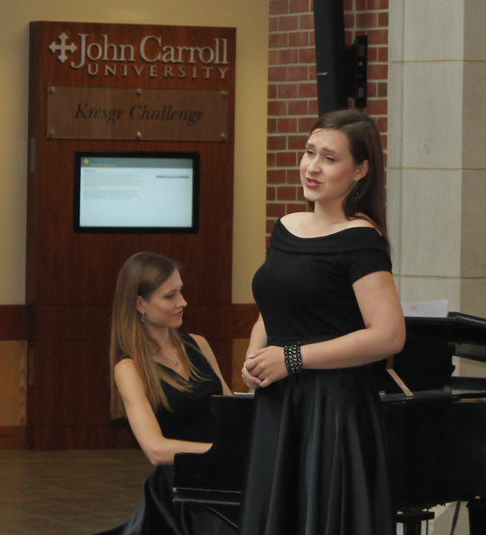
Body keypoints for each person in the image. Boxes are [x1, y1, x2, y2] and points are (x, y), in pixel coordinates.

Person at [240, 109, 406, 535]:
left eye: (330, 158)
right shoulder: (285, 227)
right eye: (310, 152)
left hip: (332, 409)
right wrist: (255, 356)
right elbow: (274, 304)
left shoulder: (361, 240)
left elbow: (388, 335)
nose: (312, 167)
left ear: (360, 170)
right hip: (279, 403)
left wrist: (291, 358)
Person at [93, 251, 235, 535]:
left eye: (180, 292)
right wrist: (219, 453)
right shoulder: (129, 368)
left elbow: (230, 412)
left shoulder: (198, 344)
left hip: (222, 475)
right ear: (140, 304)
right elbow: (155, 450)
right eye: (170, 296)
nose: (182, 302)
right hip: (179, 486)